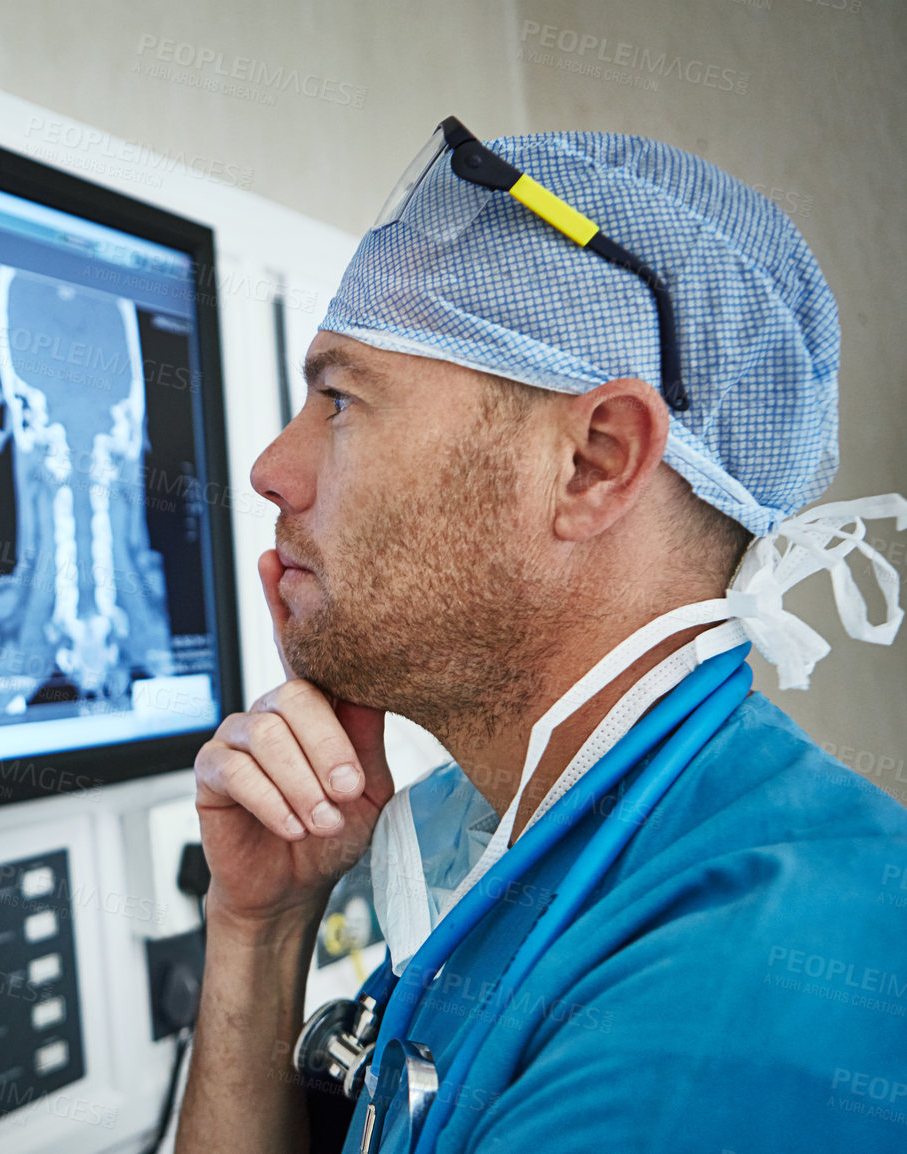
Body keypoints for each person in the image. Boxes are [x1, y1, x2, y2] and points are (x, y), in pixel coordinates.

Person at [176, 121, 907, 1154]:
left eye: (339, 400)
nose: (270, 468)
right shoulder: (496, 844)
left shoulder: (738, 988)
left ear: (593, 462)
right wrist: (260, 927)